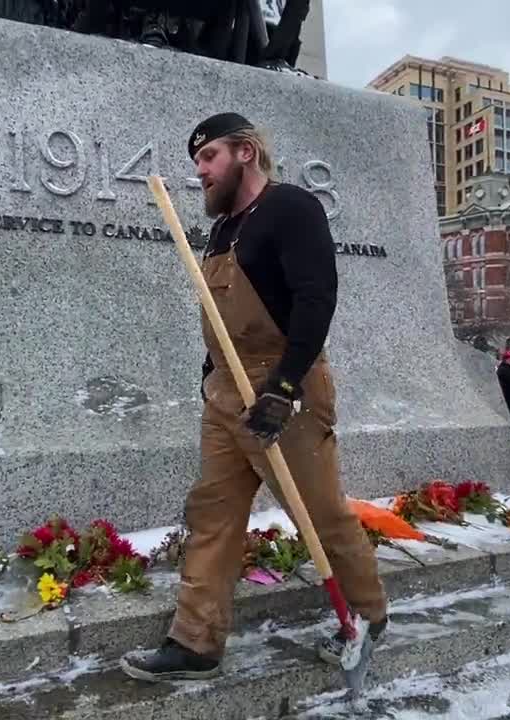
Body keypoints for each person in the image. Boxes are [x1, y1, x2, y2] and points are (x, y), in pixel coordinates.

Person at [119, 113, 387, 681]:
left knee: (318, 513)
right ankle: (195, 642)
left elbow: (316, 299)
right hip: (225, 391)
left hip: (282, 387)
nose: (201, 172)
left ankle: (366, 617)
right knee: (212, 515)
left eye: (208, 157)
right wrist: (208, 374)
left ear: (244, 152)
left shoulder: (292, 209)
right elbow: (219, 317)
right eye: (196, 162)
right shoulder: (222, 230)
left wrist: (284, 388)